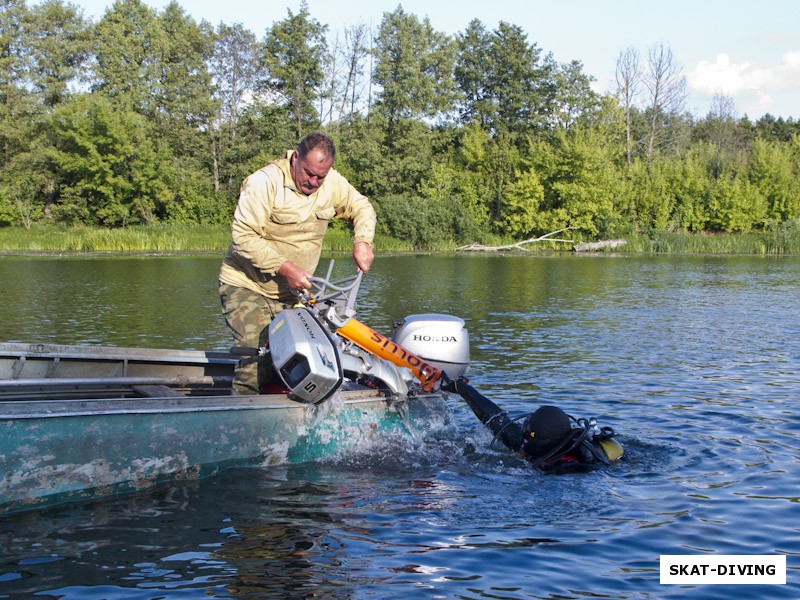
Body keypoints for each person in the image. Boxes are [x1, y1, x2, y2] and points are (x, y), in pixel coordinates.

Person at [219, 133, 377, 395]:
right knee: (255, 358)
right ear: (295, 158)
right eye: (308, 173)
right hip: (246, 285)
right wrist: (286, 267)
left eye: (320, 177)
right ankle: (243, 419)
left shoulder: (331, 182)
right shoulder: (264, 182)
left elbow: (362, 207)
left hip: (294, 294)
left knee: (301, 360)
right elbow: (243, 238)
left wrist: (363, 241)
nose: (313, 182)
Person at [442, 376, 624, 471]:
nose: (522, 431)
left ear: (538, 440)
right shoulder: (534, 443)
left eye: (527, 431)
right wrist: (461, 388)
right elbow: (494, 417)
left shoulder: (562, 469)